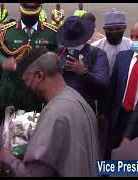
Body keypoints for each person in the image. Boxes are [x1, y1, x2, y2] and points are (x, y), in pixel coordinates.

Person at [0, 48, 100, 176]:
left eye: (26, 80)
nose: (27, 86)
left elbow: (33, 174)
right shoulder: (78, 100)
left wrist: (8, 158)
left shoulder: (54, 114)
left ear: (39, 75)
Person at [0, 3, 59, 140]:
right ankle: (9, 155)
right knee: (9, 134)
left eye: (33, 13)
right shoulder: (8, 31)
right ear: (21, 11)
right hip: (11, 91)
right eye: (27, 13)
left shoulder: (49, 32)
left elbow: (56, 57)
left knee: (28, 135)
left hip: (34, 93)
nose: (29, 16)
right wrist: (3, 62)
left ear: (39, 11)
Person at [57, 16, 109, 157]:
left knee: (84, 153)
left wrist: (84, 73)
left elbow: (103, 83)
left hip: (86, 113)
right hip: (61, 114)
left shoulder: (97, 54)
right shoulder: (60, 53)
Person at [106, 23, 138, 155]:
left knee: (128, 162)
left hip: (135, 119)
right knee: (110, 154)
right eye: (132, 37)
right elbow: (111, 89)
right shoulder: (122, 57)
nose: (134, 41)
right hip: (118, 116)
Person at [91, 8, 132, 77]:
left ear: (124, 28)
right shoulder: (95, 47)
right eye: (110, 29)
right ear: (104, 29)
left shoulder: (131, 46)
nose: (114, 32)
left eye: (118, 28)